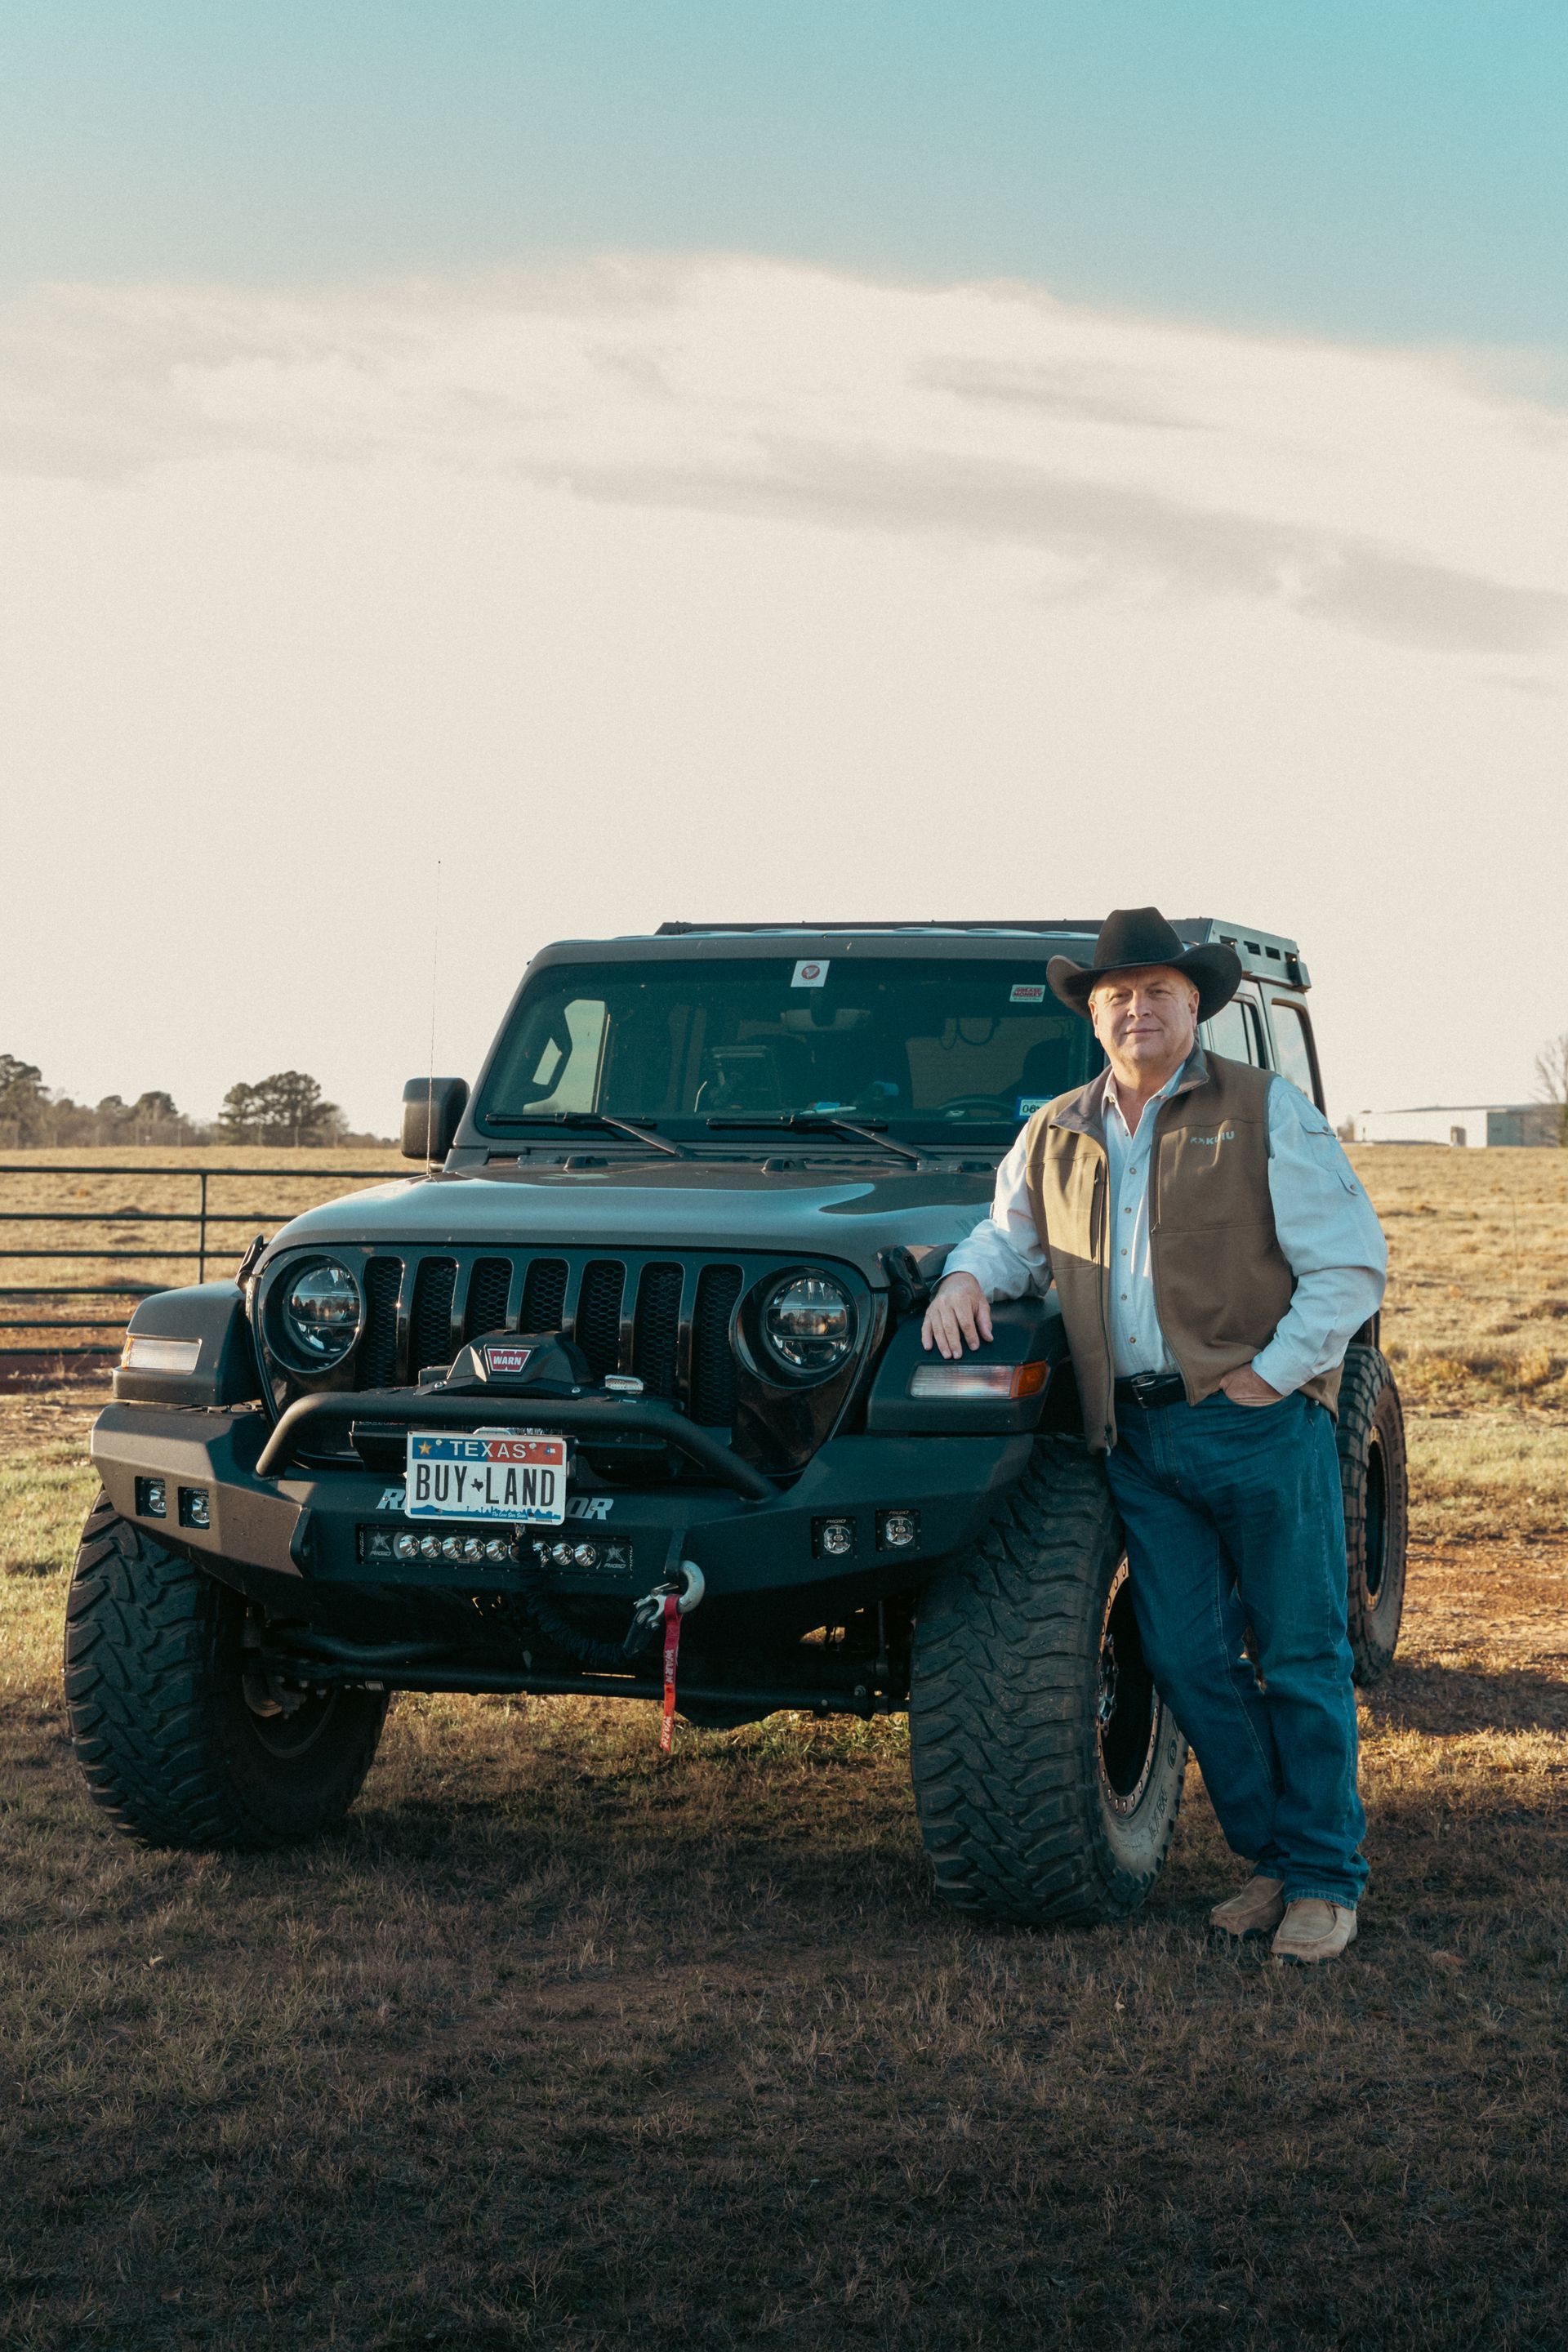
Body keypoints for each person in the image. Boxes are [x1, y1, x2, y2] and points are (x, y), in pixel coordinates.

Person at [921, 907, 1387, 1967]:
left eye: (1158, 992)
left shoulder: (1267, 1112)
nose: (1137, 1010)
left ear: (1195, 1006)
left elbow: (1351, 1265)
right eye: (1116, 995)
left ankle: (1325, 1880)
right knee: (1185, 1661)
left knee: (1302, 1655)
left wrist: (1271, 1381)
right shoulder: (1057, 1131)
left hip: (1258, 1430)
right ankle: (1273, 1859)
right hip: (1137, 1445)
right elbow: (1010, 1238)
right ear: (1093, 1015)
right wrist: (962, 1276)